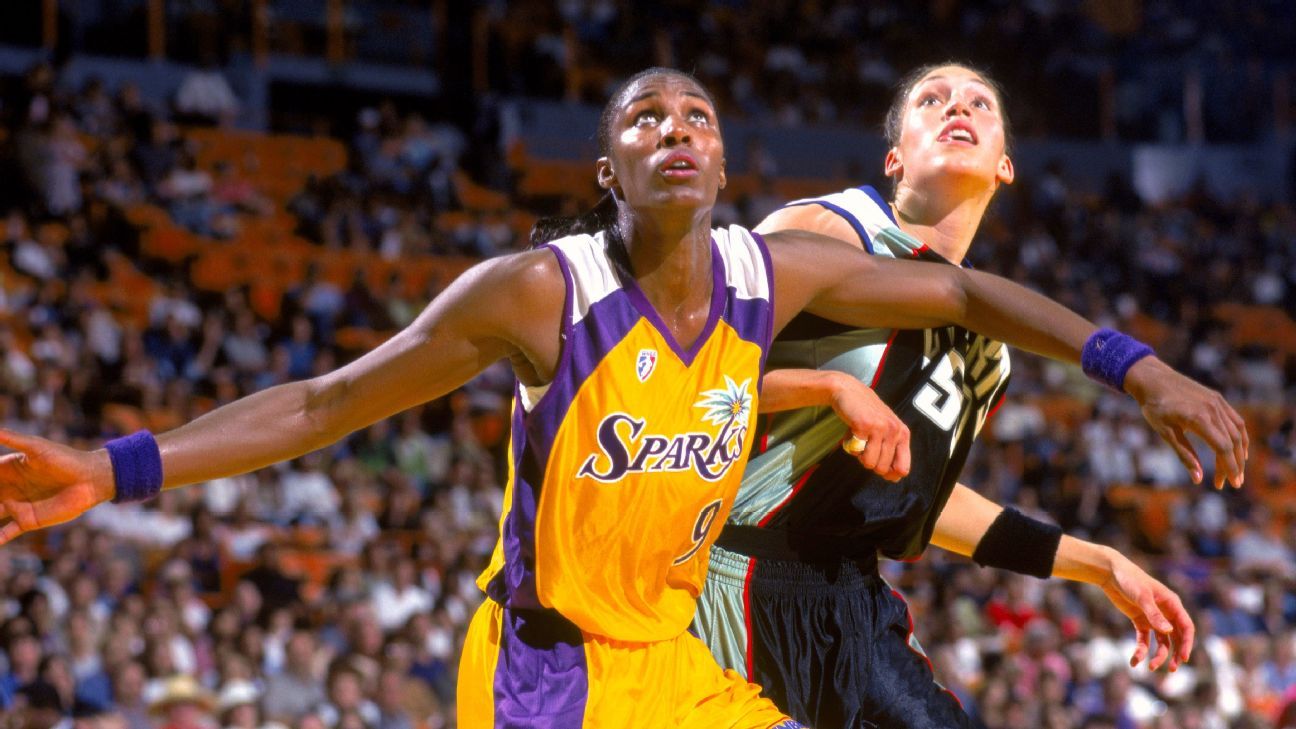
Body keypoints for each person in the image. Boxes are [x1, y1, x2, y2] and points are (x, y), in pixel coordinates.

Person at [0, 68, 1246, 728]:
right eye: (646, 117)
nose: (677, 128)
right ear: (612, 169)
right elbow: (325, 404)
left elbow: (969, 302)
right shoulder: (539, 293)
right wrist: (115, 470)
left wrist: (1139, 369)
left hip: (669, 659)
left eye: (697, 113)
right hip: (548, 668)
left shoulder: (773, 272)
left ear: (720, 160)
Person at [693, 63, 1243, 728]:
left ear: (1006, 164)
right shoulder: (831, 226)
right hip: (737, 572)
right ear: (895, 158)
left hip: (852, 599)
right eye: (932, 99)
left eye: (980, 101)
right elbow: (690, 379)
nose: (958, 106)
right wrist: (827, 386)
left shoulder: (989, 356)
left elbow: (918, 498)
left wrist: (1099, 564)